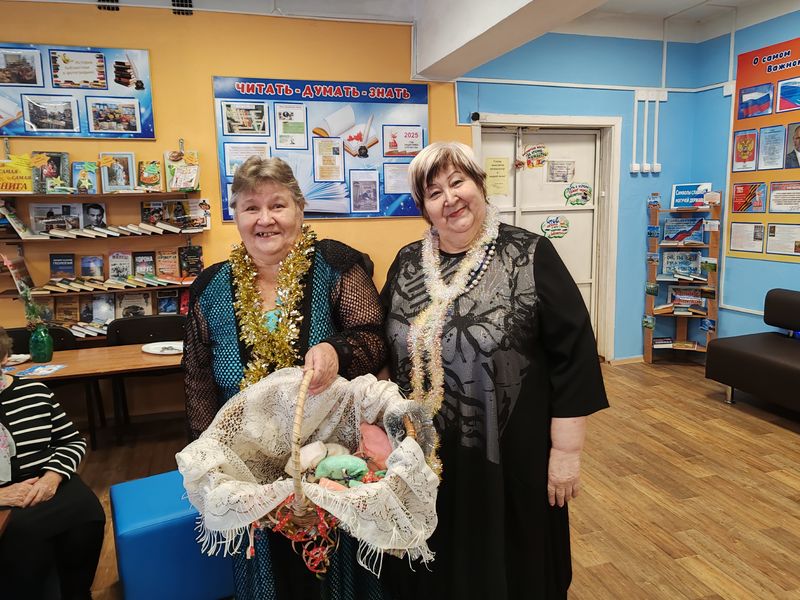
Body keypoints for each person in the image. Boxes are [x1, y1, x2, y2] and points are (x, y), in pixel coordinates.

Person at [380, 142, 609, 600]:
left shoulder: (530, 254)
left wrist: (567, 453)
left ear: (479, 185)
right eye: (434, 192)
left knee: (512, 565)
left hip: (508, 455)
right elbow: (386, 344)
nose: (450, 199)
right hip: (422, 455)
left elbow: (574, 354)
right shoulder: (407, 260)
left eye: (458, 182)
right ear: (424, 208)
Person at [183, 155, 387, 600]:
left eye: (277, 205)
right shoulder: (210, 288)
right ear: (235, 216)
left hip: (330, 465)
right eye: (251, 208)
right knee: (267, 573)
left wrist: (337, 350)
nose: (265, 219)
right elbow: (197, 380)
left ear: (299, 208)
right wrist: (209, 465)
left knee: (333, 573)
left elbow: (374, 338)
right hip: (249, 470)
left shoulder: (336, 266)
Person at [0, 327, 105, 599]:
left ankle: (76, 593)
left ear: (5, 357)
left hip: (46, 478)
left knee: (88, 513)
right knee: (21, 534)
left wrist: (52, 476)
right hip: (4, 499)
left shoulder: (35, 391)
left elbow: (72, 441)